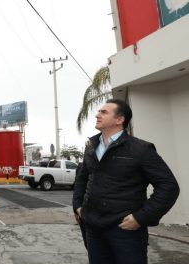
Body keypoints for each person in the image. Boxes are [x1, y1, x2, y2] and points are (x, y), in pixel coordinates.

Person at [73, 99, 179, 264]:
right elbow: (82, 178)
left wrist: (141, 217)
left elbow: (169, 186)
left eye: (104, 112)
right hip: (92, 227)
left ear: (119, 120)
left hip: (125, 230)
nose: (97, 114)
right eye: (99, 111)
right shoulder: (91, 147)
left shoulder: (141, 149)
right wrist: (78, 207)